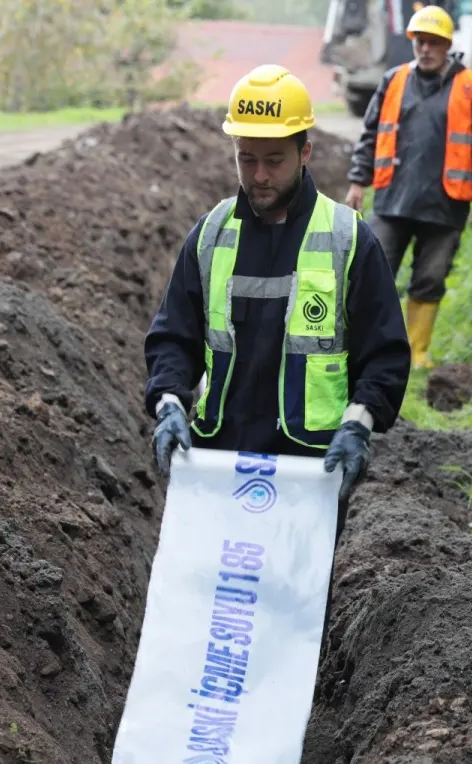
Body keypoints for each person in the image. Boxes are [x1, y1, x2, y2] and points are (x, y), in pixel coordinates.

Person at [143, 64, 411, 531]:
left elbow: (384, 356)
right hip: (219, 462)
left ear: (305, 151)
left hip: (310, 471)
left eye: (274, 160)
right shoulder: (210, 236)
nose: (259, 175)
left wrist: (357, 425)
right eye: (247, 159)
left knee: (296, 602)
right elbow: (173, 339)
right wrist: (169, 404)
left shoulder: (349, 240)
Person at [345, 3, 472, 369]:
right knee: (376, 272)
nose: (425, 49)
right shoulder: (393, 80)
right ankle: (369, 348)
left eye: (434, 42)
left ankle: (416, 352)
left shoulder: (469, 86)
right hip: (392, 199)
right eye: (420, 42)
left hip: (446, 203)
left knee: (430, 277)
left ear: (448, 45)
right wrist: (357, 180)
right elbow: (370, 134)